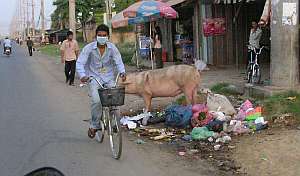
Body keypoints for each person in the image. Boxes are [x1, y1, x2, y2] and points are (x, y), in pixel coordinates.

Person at [76, 24, 126, 139]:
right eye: (100, 35)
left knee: (115, 99)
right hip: (94, 78)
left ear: (108, 36)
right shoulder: (89, 48)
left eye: (104, 35)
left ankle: (114, 122)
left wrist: (122, 72)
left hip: (109, 77)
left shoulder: (112, 48)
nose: (102, 37)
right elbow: (80, 63)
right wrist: (83, 76)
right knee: (97, 101)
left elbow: (118, 61)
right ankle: (94, 125)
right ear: (96, 36)